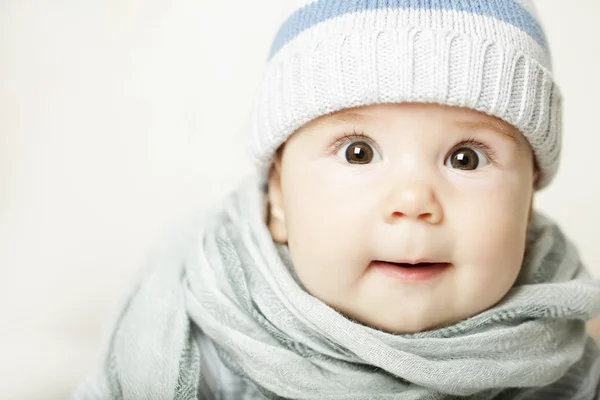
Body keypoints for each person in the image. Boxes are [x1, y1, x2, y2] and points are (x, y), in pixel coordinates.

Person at [73, 1, 600, 398]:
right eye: (358, 152)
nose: (413, 200)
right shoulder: (205, 338)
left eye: (465, 158)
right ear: (278, 198)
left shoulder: (559, 352)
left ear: (527, 206)